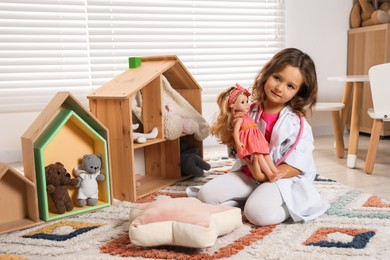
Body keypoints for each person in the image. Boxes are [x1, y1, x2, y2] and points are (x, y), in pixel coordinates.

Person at [190, 48, 330, 226]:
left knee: (257, 215)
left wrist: (271, 176)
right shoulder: (249, 111)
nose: (279, 88)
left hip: (279, 179)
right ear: (267, 74)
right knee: (206, 196)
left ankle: (291, 206)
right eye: (277, 78)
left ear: (298, 93)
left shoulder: (298, 125)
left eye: (290, 86)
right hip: (249, 173)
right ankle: (249, 199)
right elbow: (237, 146)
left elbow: (298, 163)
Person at [211, 83, 285, 182]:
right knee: (259, 156)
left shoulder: (246, 117)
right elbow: (235, 133)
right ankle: (270, 174)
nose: (247, 105)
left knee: (266, 155)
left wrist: (262, 140)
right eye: (242, 102)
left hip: (256, 139)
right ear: (233, 106)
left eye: (247, 101)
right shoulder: (238, 119)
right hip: (250, 141)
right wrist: (238, 142)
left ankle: (275, 172)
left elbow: (256, 130)